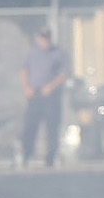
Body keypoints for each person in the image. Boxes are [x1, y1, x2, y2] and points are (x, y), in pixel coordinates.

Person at [18, 27, 69, 168]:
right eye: (42, 38)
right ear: (38, 39)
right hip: (35, 95)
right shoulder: (32, 53)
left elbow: (64, 74)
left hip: (51, 97)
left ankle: (50, 159)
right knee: (30, 126)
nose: (45, 41)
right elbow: (24, 70)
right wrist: (26, 87)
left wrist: (52, 86)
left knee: (52, 128)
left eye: (47, 38)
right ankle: (26, 155)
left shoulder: (59, 54)